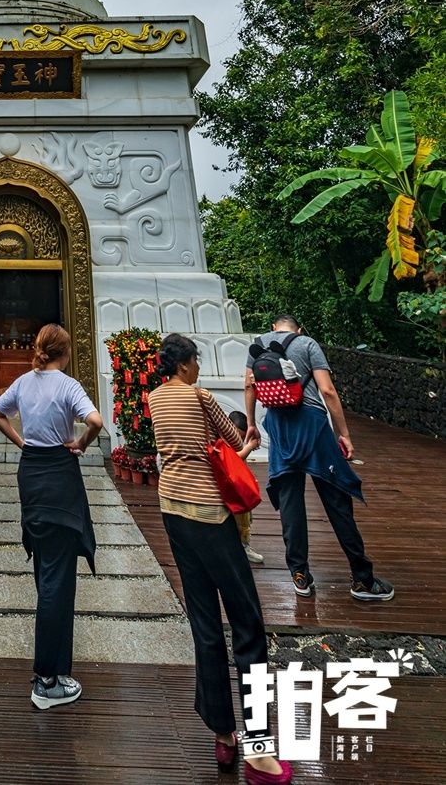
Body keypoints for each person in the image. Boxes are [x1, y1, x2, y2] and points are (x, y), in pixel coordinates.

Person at [149, 334, 291, 785]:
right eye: (196, 360)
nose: (198, 367)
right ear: (187, 364)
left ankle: (222, 734)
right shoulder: (200, 395)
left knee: (206, 624)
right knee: (247, 623)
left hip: (172, 509)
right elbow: (231, 446)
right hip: (210, 514)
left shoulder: (153, 398)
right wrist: (248, 436)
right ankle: (260, 750)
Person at [0, 323, 103, 711]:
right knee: (57, 580)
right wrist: (81, 444)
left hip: (32, 472)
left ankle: (54, 667)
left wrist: (21, 442)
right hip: (58, 472)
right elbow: (96, 422)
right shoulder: (68, 386)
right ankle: (47, 680)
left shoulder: (22, 382)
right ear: (65, 352)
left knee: (46, 570)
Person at [246, 314, 394, 602]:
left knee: (290, 501)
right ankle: (362, 579)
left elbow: (250, 386)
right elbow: (327, 390)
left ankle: (299, 575)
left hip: (279, 428)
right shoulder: (307, 343)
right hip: (311, 425)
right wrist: (345, 434)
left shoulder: (258, 344)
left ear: (274, 327)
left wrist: (251, 422)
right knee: (336, 498)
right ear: (297, 329)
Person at [228, 410, 264, 565]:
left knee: (245, 519)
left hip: (239, 489)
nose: (238, 440)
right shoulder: (221, 441)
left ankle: (244, 546)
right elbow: (235, 458)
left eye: (242, 438)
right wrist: (248, 447)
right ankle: (235, 548)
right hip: (226, 491)